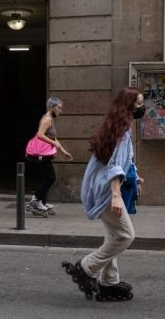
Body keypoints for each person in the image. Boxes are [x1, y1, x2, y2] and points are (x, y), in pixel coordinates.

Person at [62, 87, 145, 301]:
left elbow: (123, 162)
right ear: (128, 106)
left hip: (101, 187)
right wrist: (116, 195)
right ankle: (86, 267)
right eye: (138, 104)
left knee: (113, 235)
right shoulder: (123, 131)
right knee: (126, 235)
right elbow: (115, 165)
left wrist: (135, 177)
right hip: (106, 190)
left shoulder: (116, 127)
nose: (141, 108)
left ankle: (109, 282)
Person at [26, 97, 73, 215]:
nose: (60, 111)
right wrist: (54, 144)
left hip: (45, 155)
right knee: (50, 177)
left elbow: (54, 138)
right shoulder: (47, 119)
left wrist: (63, 151)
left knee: (46, 178)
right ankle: (35, 200)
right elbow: (40, 135)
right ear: (52, 107)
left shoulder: (50, 119)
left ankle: (42, 201)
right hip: (42, 154)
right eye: (59, 108)